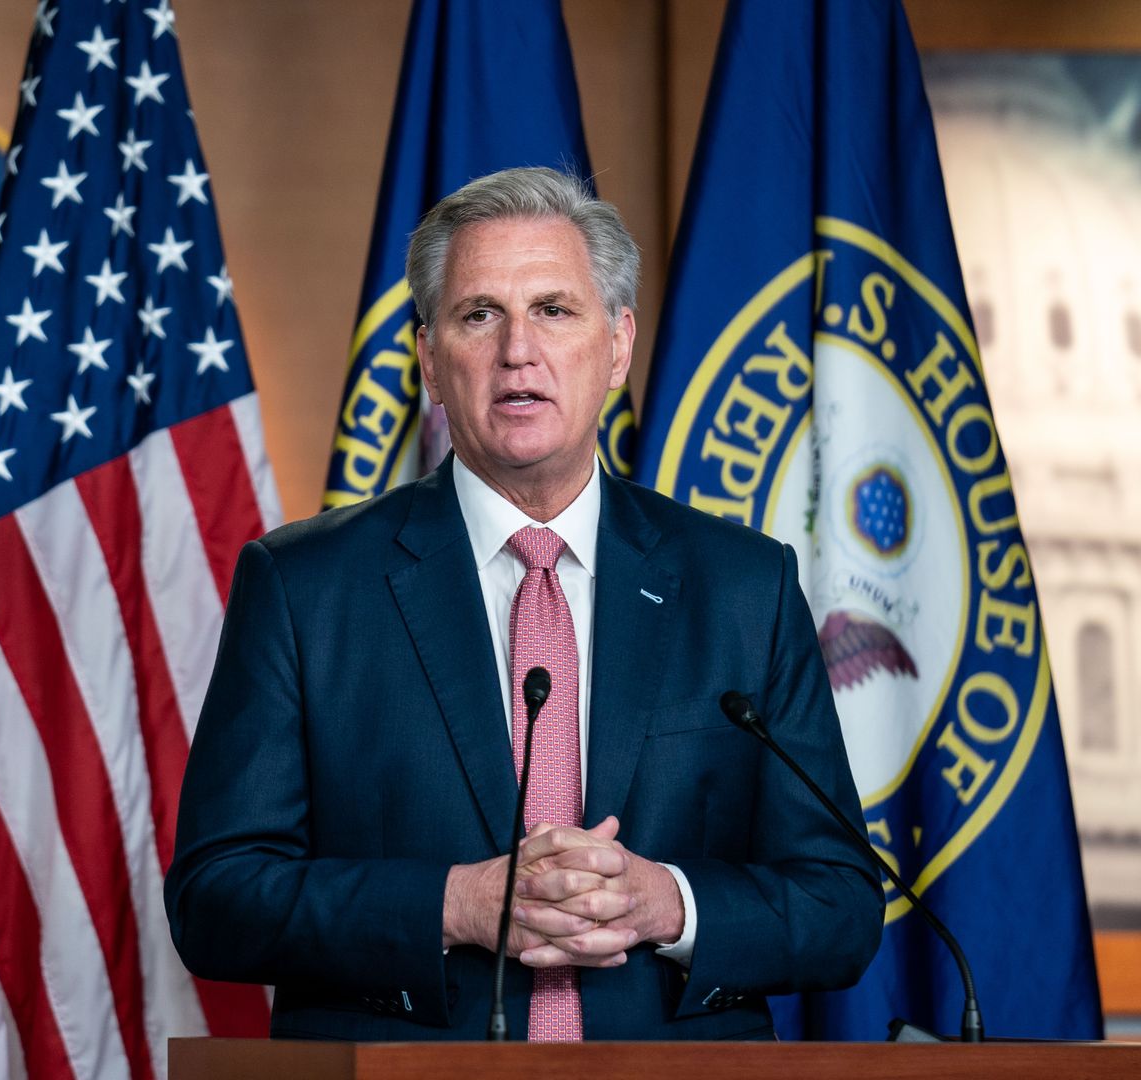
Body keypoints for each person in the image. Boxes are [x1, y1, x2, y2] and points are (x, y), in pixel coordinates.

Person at [164, 167, 882, 1041]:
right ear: (430, 358)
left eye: (553, 309)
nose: (517, 352)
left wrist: (669, 903)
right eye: (478, 315)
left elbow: (841, 902)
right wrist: (453, 904)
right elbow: (215, 898)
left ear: (617, 346)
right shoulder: (305, 587)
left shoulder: (743, 588)